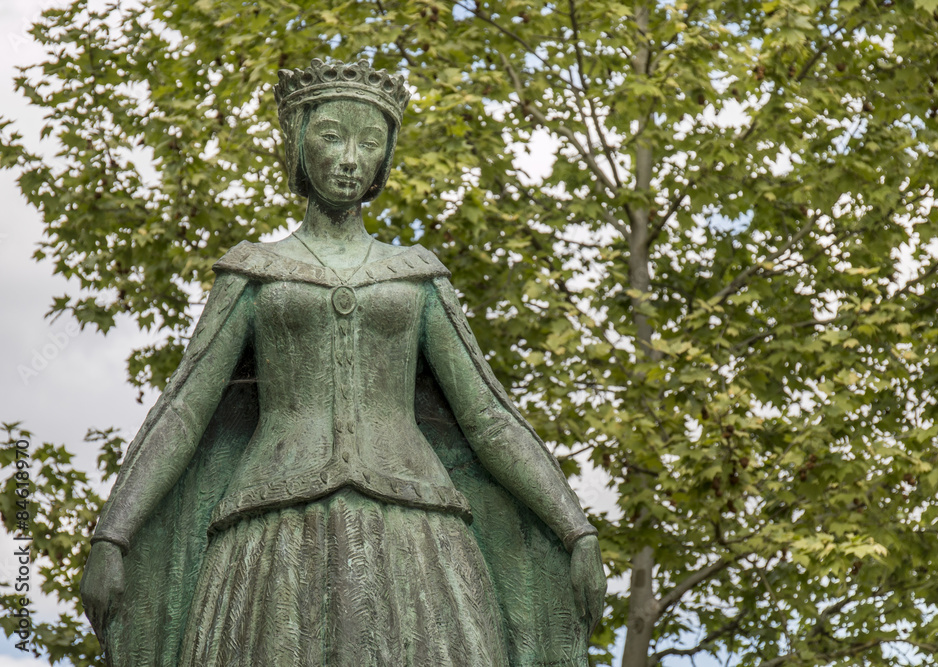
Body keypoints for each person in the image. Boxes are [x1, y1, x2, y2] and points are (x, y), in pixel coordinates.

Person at [81, 58, 606, 667]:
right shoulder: (255, 271)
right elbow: (185, 410)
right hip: (274, 527)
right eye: (331, 135)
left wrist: (576, 530)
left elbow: (488, 417)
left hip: (415, 528)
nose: (350, 156)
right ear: (297, 142)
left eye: (370, 141)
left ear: (384, 157)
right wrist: (113, 536)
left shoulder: (417, 275)